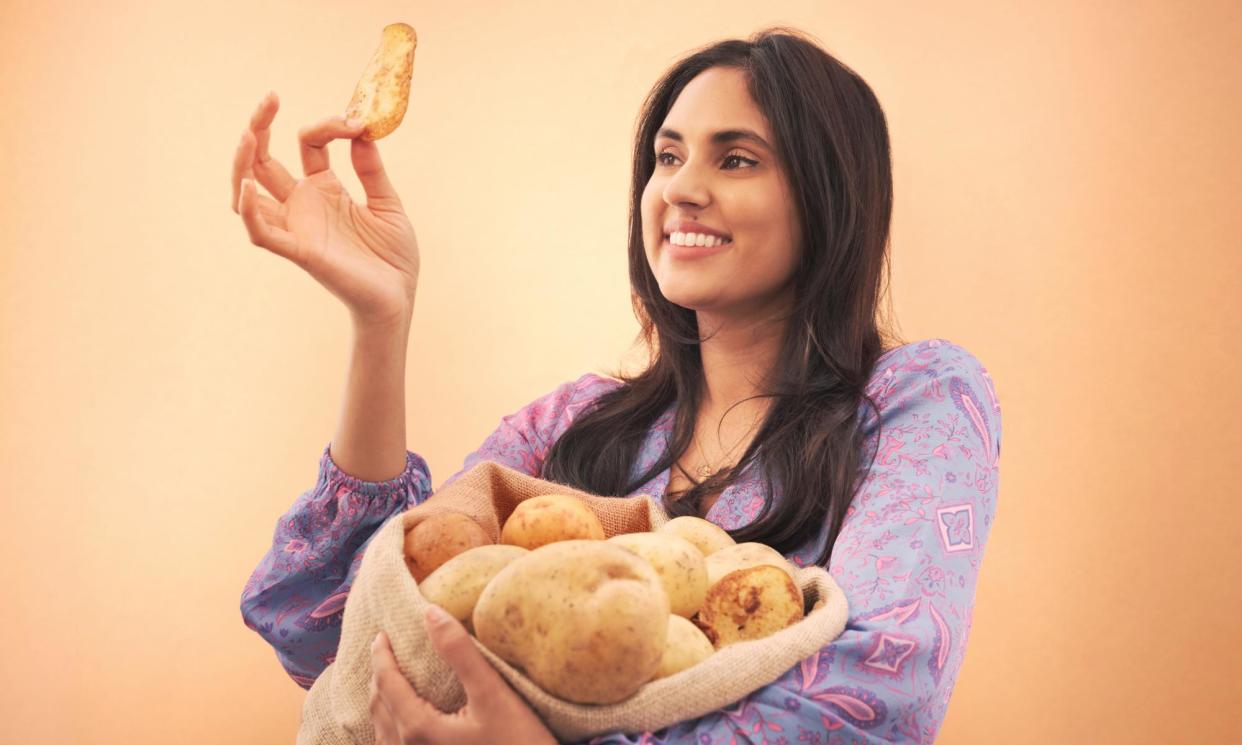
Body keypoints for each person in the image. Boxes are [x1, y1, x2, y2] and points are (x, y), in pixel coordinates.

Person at [235, 27, 1002, 745]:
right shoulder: (575, 423)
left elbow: (886, 690)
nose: (681, 190)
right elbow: (339, 633)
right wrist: (381, 319)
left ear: (829, 196)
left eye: (736, 159)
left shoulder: (911, 400)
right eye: (668, 158)